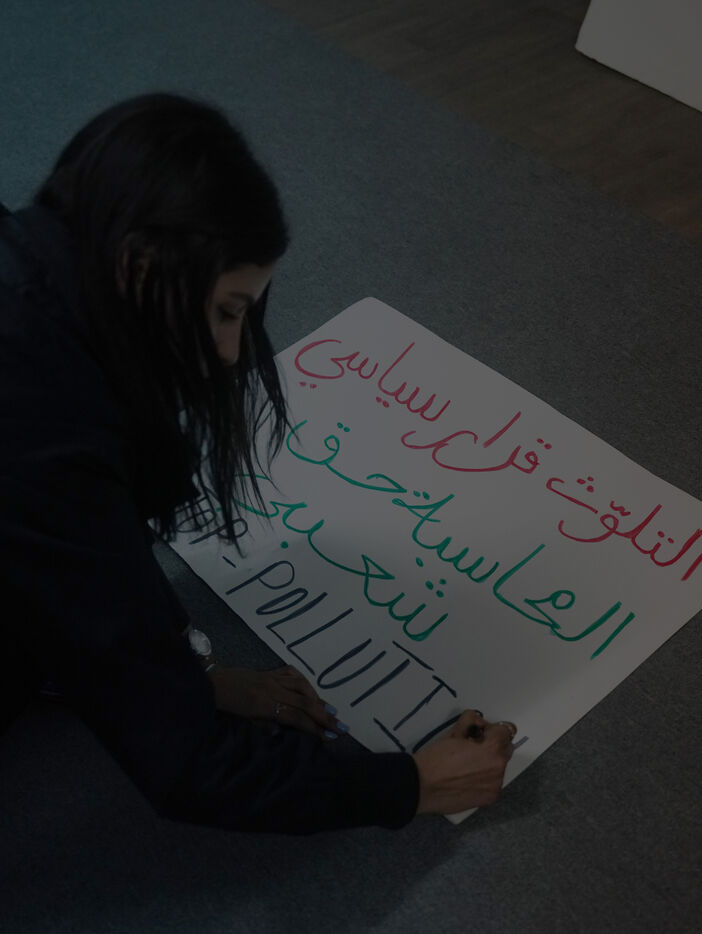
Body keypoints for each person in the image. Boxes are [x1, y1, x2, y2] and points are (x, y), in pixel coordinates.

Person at [0, 93, 515, 833]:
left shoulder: (32, 257)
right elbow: (190, 767)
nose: (231, 351)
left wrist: (191, 673)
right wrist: (411, 786)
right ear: (138, 264)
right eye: (227, 309)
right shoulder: (44, 430)